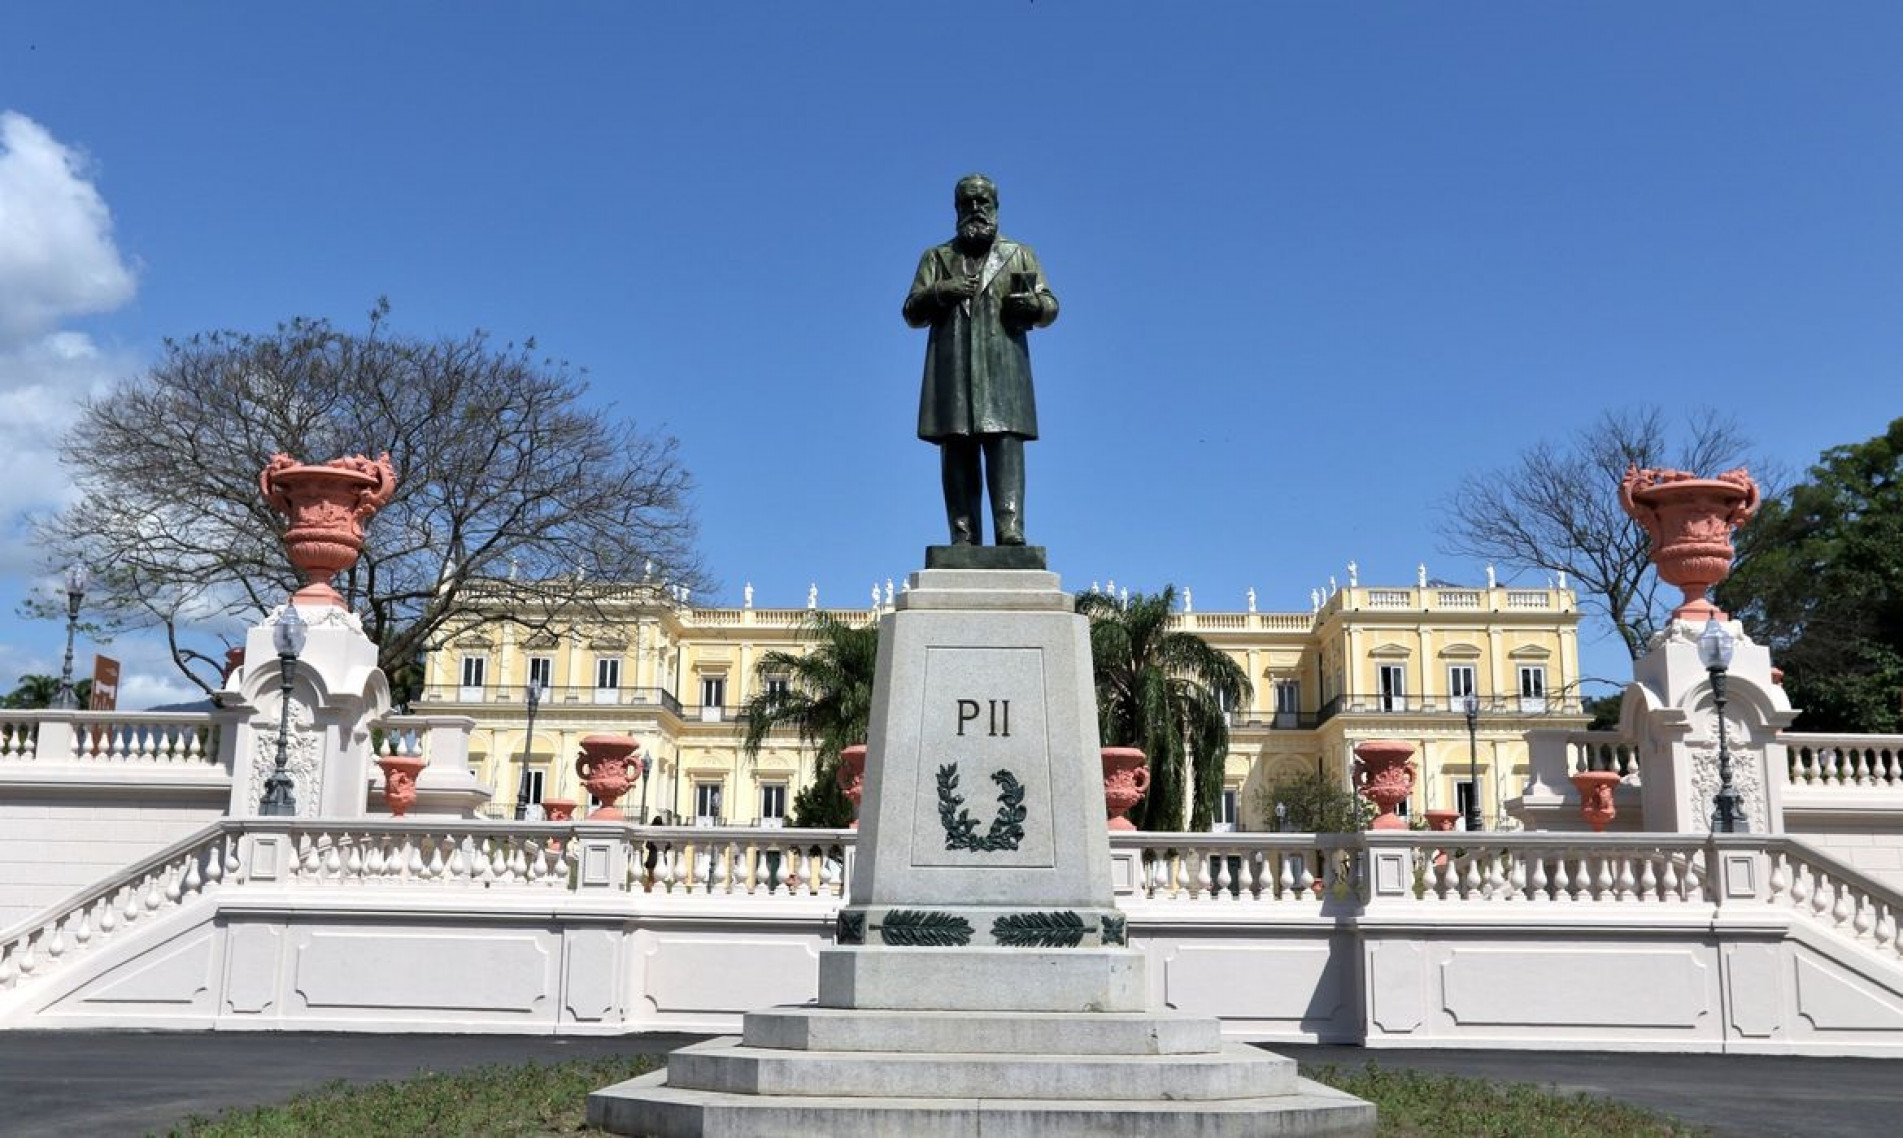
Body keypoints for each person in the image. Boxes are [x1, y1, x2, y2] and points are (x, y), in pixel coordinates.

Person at [903, 173, 1058, 546]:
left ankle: (1010, 528)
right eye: (967, 203)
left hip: (1002, 372)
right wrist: (942, 290)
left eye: (982, 202)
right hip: (952, 370)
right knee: (957, 450)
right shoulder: (937, 258)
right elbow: (911, 311)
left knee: (1005, 445)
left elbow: (1050, 305)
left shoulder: (1019, 254)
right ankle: (963, 535)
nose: (975, 209)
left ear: (995, 207)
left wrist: (1032, 305)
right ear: (956, 209)